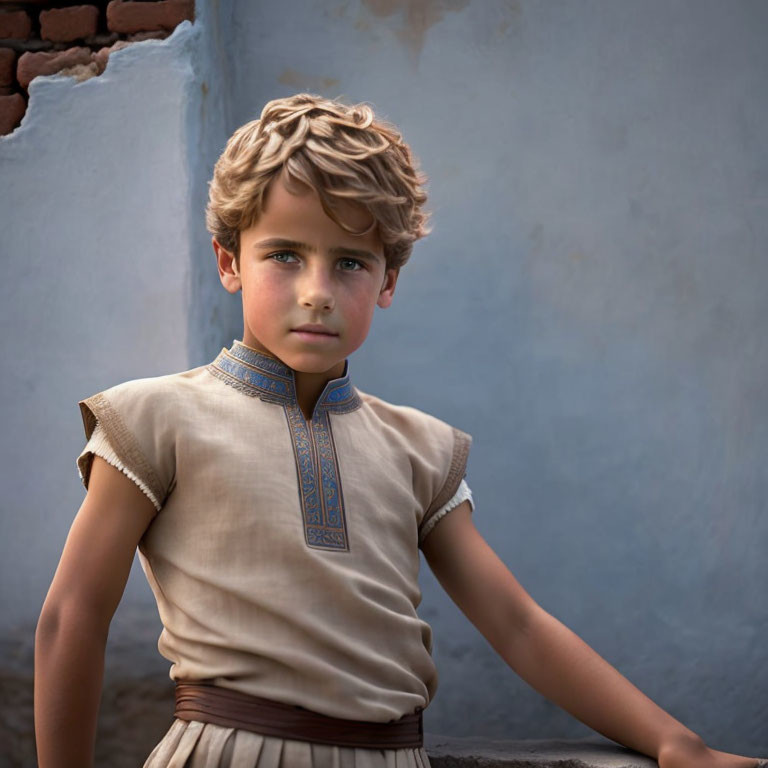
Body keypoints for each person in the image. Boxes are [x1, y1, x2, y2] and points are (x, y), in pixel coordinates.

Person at [34, 93, 765, 768]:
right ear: (229, 260)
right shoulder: (154, 418)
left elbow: (516, 625)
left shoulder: (420, 449)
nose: (317, 291)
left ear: (387, 282)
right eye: (284, 254)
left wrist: (677, 744)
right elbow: (72, 617)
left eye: (350, 262)